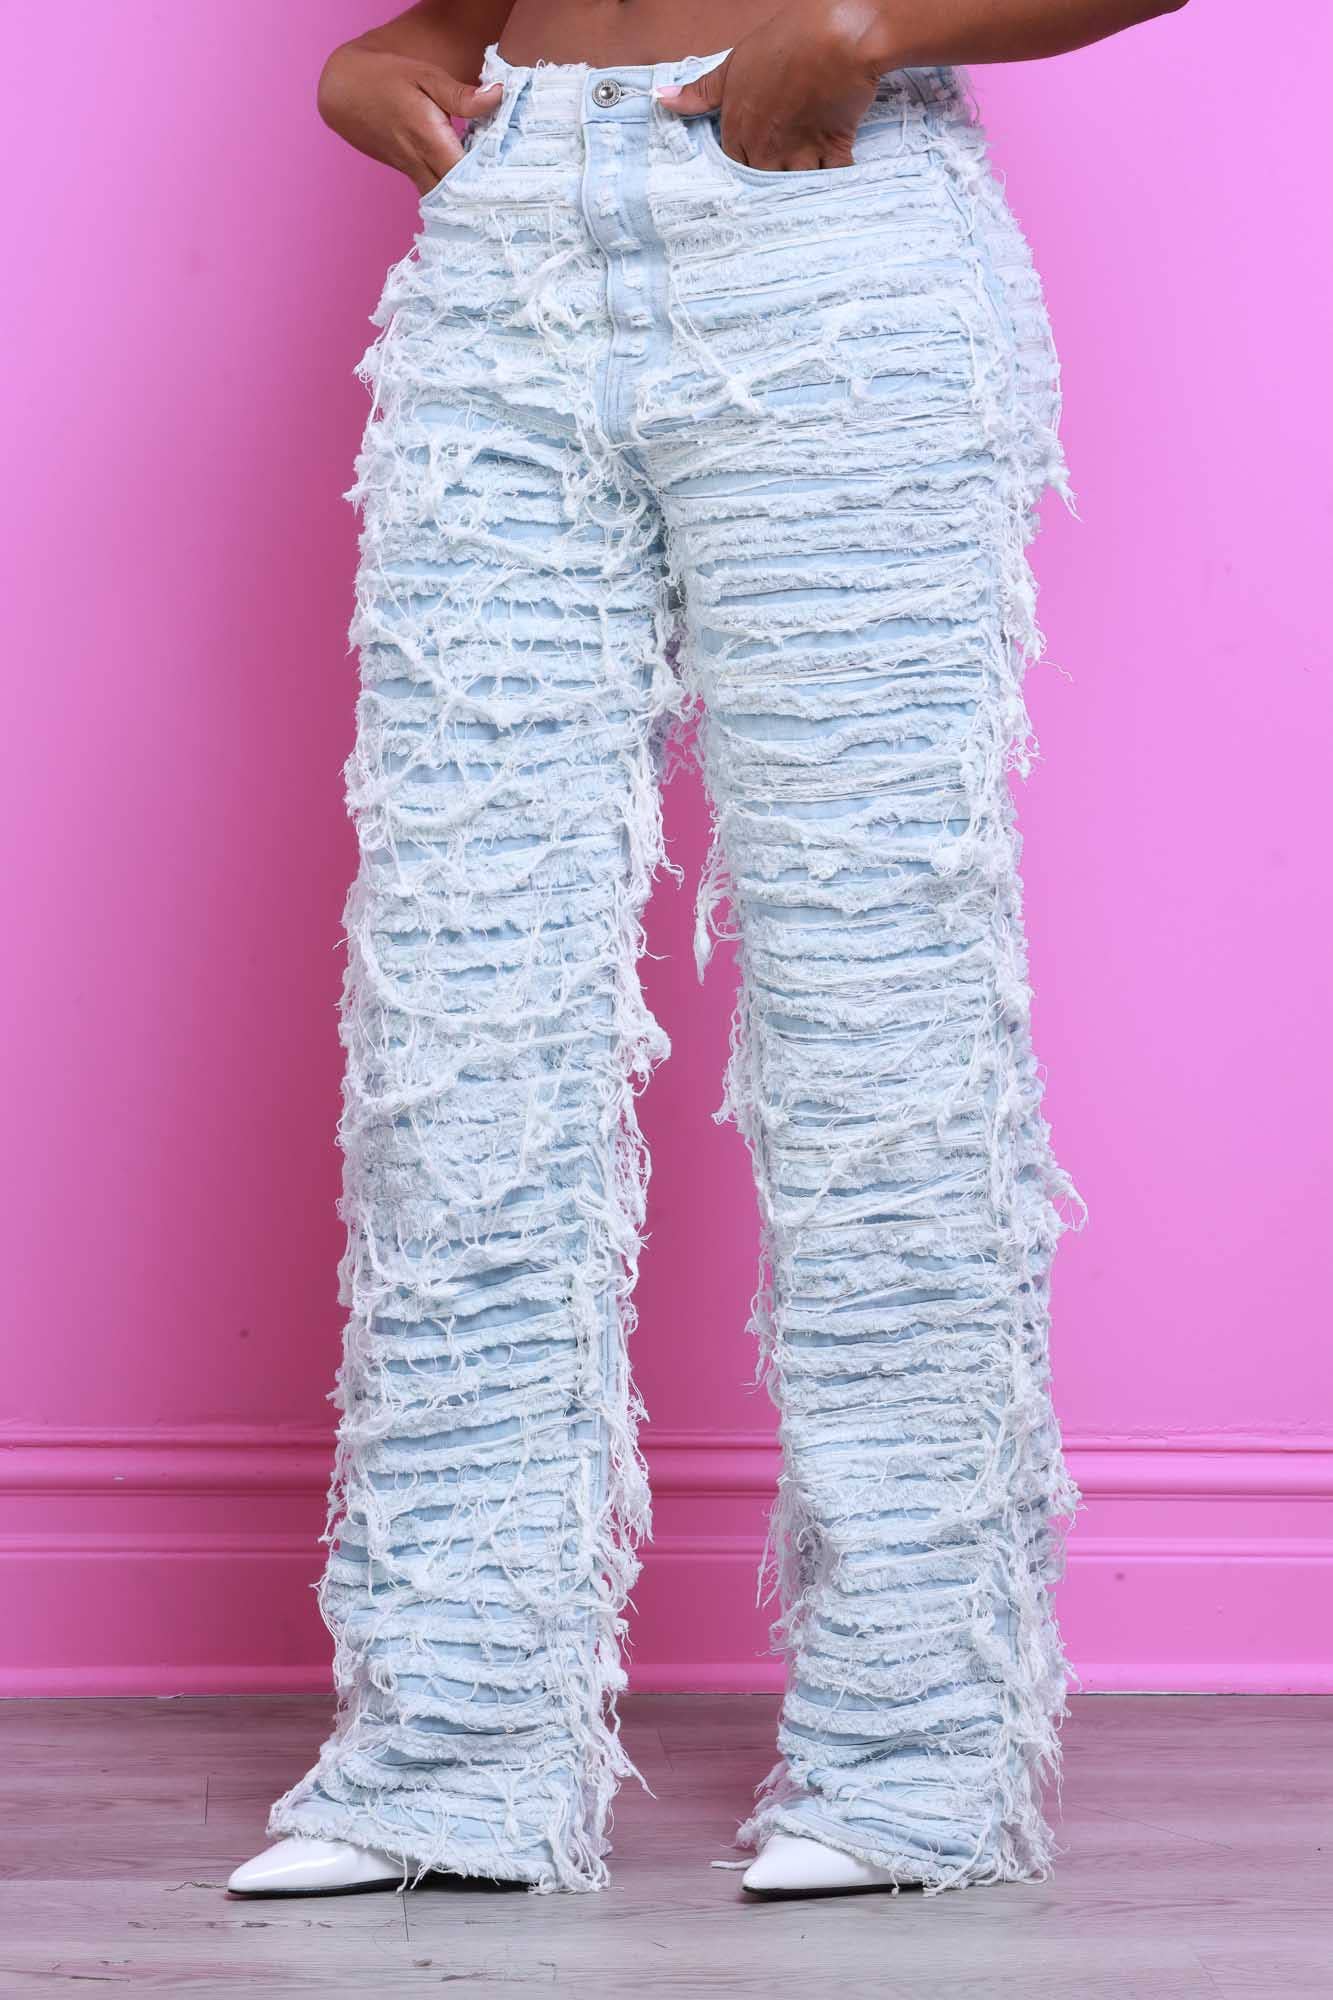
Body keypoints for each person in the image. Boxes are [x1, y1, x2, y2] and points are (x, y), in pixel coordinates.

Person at [228, 0, 1184, 1904]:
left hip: (821, 231)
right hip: (505, 247)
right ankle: (448, 1746)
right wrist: (398, 50)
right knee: (457, 1030)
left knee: (875, 1018)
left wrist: (864, 28)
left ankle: (913, 1755)